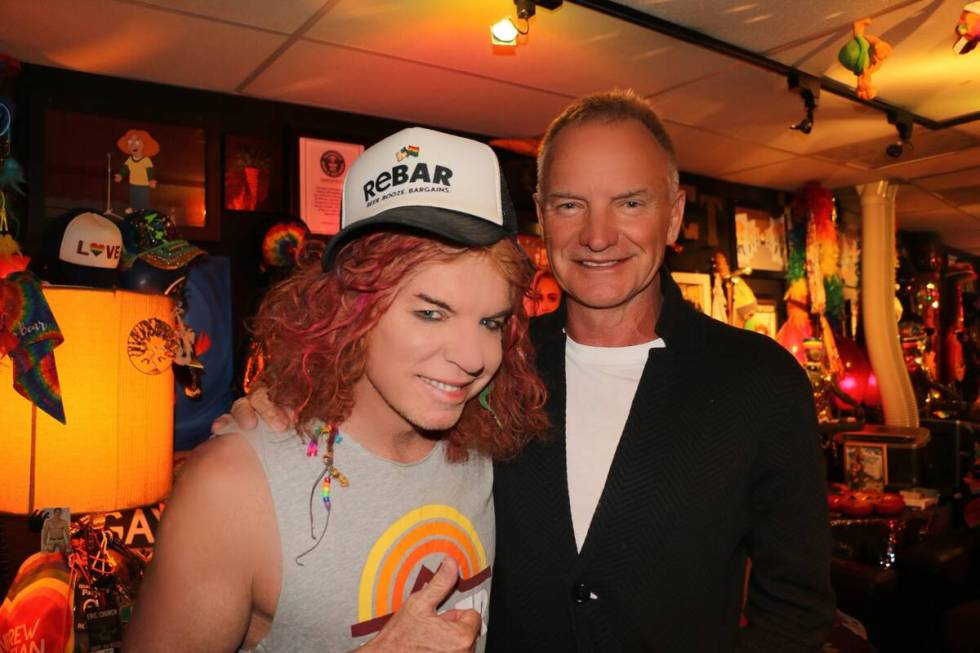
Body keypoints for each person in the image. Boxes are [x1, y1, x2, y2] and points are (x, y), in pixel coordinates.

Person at [226, 90, 836, 651]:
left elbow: (796, 614)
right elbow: (382, 410)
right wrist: (283, 410)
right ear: (541, 215)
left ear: (673, 216)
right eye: (571, 204)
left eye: (629, 202)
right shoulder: (491, 364)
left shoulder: (761, 383)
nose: (598, 235)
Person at [127, 127, 548, 652]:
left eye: (490, 323)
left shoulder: (488, 446)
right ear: (351, 307)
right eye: (430, 312)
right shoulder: (233, 487)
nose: (472, 358)